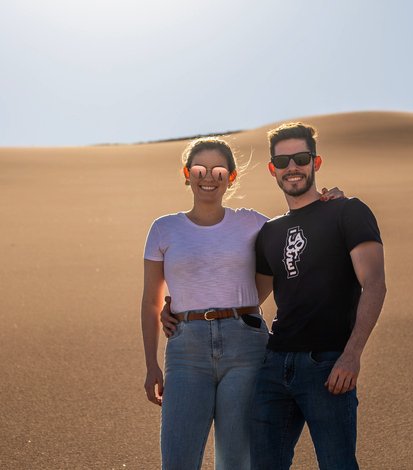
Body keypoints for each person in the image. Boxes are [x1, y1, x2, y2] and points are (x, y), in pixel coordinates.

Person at [140, 137, 343, 470]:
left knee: (237, 462)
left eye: (219, 170)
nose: (209, 177)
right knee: (177, 461)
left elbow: (299, 230)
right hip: (186, 349)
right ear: (186, 174)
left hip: (246, 347)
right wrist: (151, 365)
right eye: (200, 169)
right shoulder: (164, 229)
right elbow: (151, 301)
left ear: (231, 178)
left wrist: (328, 202)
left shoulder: (254, 223)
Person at [251, 122, 387, 470]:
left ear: (316, 162)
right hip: (274, 365)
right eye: (282, 162)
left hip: (326, 365)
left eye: (300, 158)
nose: (291, 167)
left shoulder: (347, 211)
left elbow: (374, 284)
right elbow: (251, 297)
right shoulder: (270, 231)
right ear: (272, 169)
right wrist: (180, 307)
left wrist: (351, 356)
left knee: (338, 464)